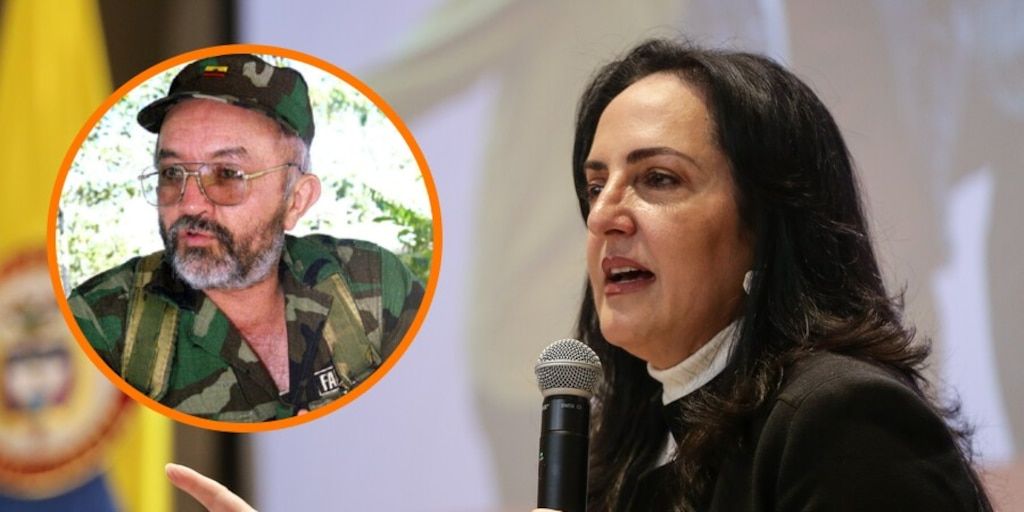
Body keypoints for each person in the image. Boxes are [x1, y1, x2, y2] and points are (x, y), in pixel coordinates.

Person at [163, 40, 994, 510]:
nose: (605, 217)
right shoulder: (626, 461)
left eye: (658, 179)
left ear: (765, 224)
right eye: (596, 186)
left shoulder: (843, 421)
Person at [68, 54, 424, 422]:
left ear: (296, 200)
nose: (190, 204)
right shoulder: (101, 322)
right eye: (172, 172)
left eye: (227, 174)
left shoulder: (373, 285)